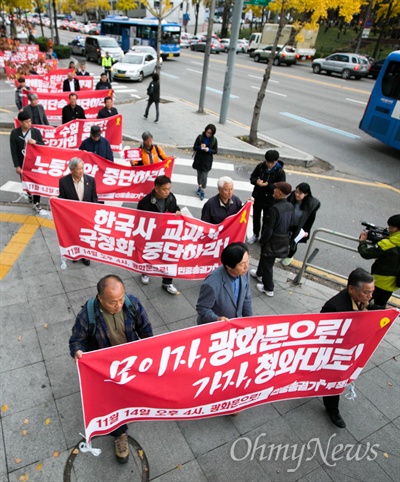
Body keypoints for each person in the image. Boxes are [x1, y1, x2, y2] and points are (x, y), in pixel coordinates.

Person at [69, 274, 153, 463]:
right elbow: (76, 341)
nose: (118, 305)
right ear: (100, 299)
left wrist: (151, 350)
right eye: (112, 302)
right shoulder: (88, 315)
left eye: (121, 299)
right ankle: (120, 434)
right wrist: (77, 353)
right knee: (112, 401)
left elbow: (146, 329)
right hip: (105, 370)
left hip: (129, 363)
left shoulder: (132, 304)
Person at [320, 268, 376, 429]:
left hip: (352, 348)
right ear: (351, 288)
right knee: (333, 379)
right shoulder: (334, 307)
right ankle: (332, 410)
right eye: (366, 292)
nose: (370, 296)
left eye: (372, 291)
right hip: (334, 352)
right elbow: (322, 333)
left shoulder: (363, 298)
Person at [137, 175, 181, 295]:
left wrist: (177, 211)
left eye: (169, 189)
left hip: (167, 234)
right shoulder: (145, 202)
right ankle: (145, 272)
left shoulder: (171, 198)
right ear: (156, 189)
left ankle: (167, 281)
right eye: (164, 189)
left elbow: (175, 208)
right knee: (149, 253)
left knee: (169, 256)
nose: (167, 192)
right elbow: (139, 220)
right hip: (151, 235)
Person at [250, 182, 293, 297]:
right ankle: (259, 273)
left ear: (279, 192)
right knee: (265, 258)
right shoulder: (289, 206)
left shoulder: (274, 209)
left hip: (272, 240)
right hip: (283, 238)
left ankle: (268, 288)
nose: (273, 191)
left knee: (267, 263)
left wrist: (262, 240)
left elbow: (268, 230)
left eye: (275, 189)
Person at [196, 242, 252, 325]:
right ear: (228, 266)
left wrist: (250, 322)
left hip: (235, 324)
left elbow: (246, 298)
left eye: (247, 261)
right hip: (216, 328)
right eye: (242, 264)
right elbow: (202, 308)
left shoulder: (244, 273)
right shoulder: (211, 284)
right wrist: (217, 319)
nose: (246, 266)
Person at [59, 157, 99, 266]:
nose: (81, 171)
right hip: (72, 217)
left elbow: (94, 199)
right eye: (78, 169)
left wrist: (94, 214)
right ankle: (76, 254)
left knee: (85, 236)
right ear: (71, 170)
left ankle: (85, 255)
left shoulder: (90, 180)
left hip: (86, 216)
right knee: (74, 235)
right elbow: (62, 199)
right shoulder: (63, 181)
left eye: (82, 168)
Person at [358, 214, 400, 307]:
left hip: (379, 281)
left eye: (390, 226)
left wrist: (363, 242)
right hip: (393, 284)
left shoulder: (388, 244)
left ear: (396, 228)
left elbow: (366, 253)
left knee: (363, 303)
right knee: (380, 306)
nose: (388, 228)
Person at [248, 150, 286, 245]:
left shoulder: (280, 172)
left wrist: (268, 185)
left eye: (271, 163)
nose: (269, 164)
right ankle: (255, 234)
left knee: (267, 220)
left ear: (276, 161)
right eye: (267, 162)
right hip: (258, 196)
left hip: (270, 200)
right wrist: (256, 181)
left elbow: (280, 186)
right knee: (256, 217)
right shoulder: (261, 166)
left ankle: (263, 237)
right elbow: (252, 177)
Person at [10, 111, 45, 212]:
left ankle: (37, 202)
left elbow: (43, 146)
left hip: (35, 163)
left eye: (30, 121)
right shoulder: (15, 133)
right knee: (26, 183)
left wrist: (36, 142)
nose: (29, 124)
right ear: (20, 122)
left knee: (36, 183)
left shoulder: (35, 132)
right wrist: (17, 165)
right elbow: (14, 150)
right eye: (26, 122)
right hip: (23, 164)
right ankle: (30, 194)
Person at [281, 182, 321, 266]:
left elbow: (310, 219)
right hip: (289, 223)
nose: (297, 194)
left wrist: (306, 231)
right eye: (296, 191)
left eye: (300, 193)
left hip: (299, 227)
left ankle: (289, 256)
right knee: (283, 239)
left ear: (306, 194)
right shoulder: (292, 197)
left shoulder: (311, 204)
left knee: (293, 242)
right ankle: (280, 254)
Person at [192, 124, 218, 201]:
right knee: (199, 175)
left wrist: (209, 150)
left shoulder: (214, 140)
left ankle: (203, 190)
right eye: (207, 132)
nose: (208, 134)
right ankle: (199, 187)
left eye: (210, 133)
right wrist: (200, 147)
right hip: (199, 159)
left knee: (204, 176)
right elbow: (194, 147)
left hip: (207, 160)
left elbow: (215, 151)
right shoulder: (200, 137)